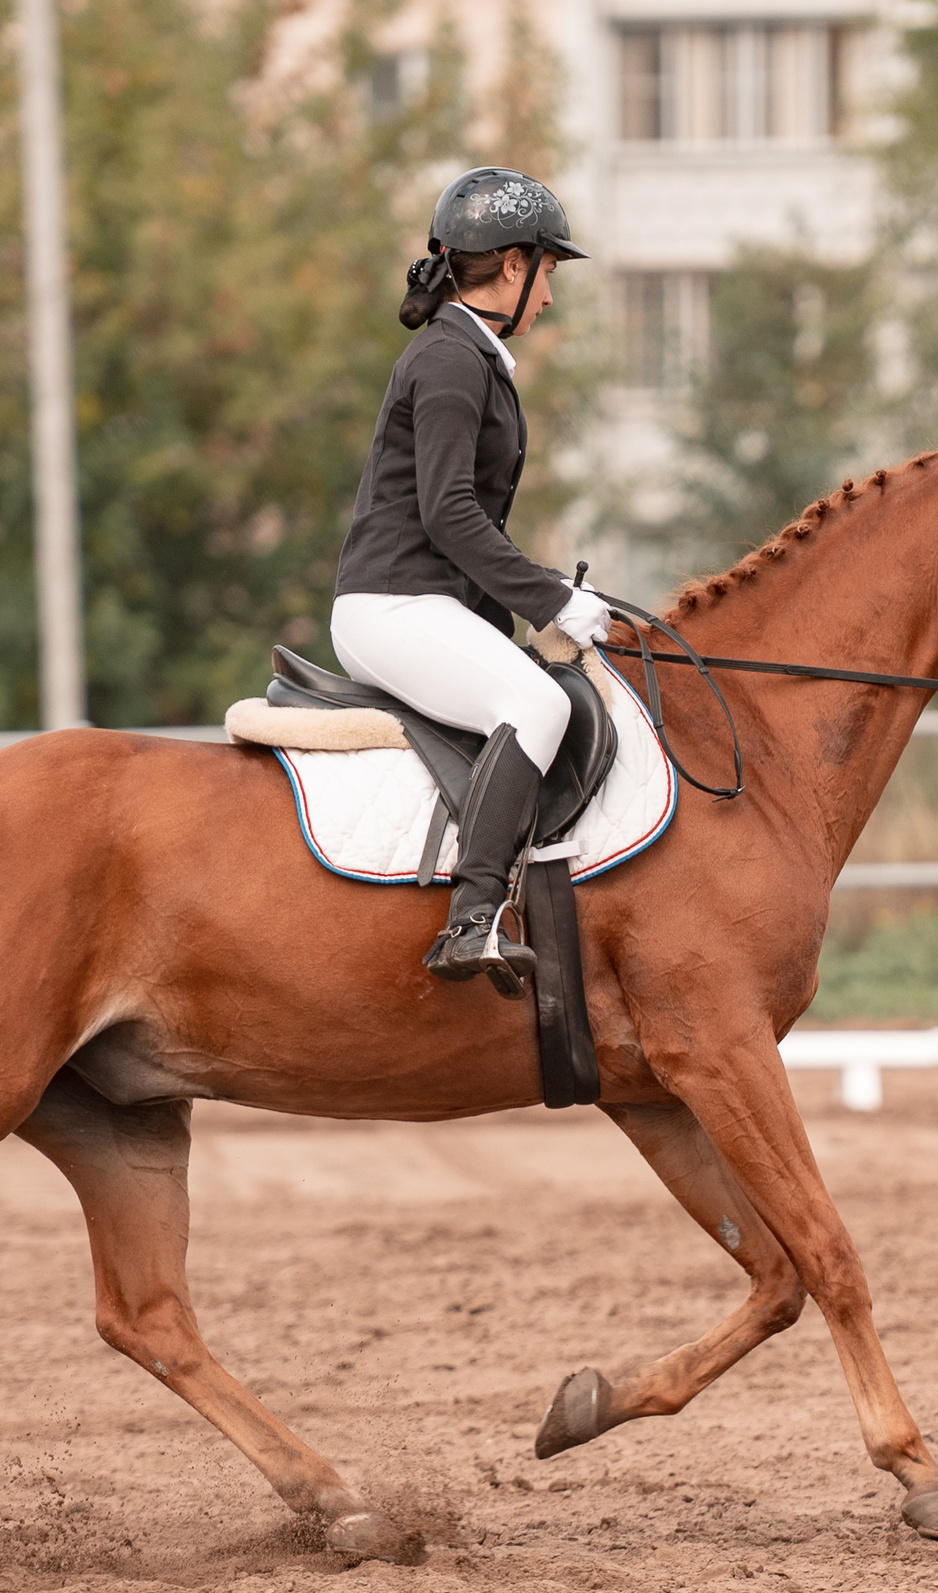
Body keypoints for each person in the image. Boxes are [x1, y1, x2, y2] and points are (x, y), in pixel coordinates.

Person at [330, 167, 614, 995]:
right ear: (515, 265)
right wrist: (552, 598)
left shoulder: (469, 357)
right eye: (551, 275)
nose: (552, 299)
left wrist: (530, 610)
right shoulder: (452, 360)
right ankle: (472, 915)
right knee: (538, 704)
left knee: (539, 683)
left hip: (419, 602)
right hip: (392, 604)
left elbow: (465, 528)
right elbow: (451, 515)